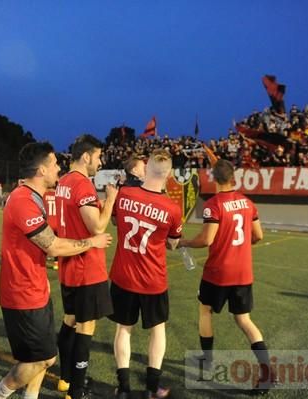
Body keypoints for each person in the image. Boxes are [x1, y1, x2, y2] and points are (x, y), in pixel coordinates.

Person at [0, 142, 112, 399]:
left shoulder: (35, 197)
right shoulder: (23, 200)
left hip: (36, 288)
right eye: (53, 164)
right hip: (22, 293)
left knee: (42, 356)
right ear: (41, 170)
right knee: (43, 359)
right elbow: (51, 245)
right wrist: (92, 242)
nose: (58, 167)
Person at [178, 159, 272, 392]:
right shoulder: (248, 203)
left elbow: (206, 240)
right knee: (244, 320)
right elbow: (258, 235)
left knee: (205, 310)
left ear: (213, 179)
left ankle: (207, 359)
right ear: (233, 178)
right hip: (243, 273)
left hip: (218, 273)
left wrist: (185, 241)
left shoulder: (213, 204)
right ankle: (267, 372)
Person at [109, 149, 182, 399]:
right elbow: (173, 243)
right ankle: (153, 388)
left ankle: (124, 388)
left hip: (123, 276)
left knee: (123, 330)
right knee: (158, 331)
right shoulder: (172, 208)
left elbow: (116, 222)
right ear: (169, 174)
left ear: (146, 168)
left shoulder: (125, 194)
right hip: (153, 280)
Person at [55, 134, 118, 399]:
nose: (100, 161)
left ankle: (65, 379)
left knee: (70, 320)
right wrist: (111, 198)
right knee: (85, 328)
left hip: (68, 267)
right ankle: (77, 391)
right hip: (85, 269)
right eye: (99, 156)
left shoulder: (63, 183)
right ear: (86, 156)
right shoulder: (82, 185)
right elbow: (98, 227)